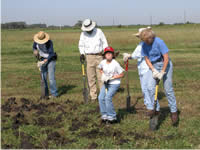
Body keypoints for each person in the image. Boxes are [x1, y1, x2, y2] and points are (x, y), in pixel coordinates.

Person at [140, 28, 178, 125]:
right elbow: (146, 59)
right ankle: (156, 110)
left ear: (151, 38)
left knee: (168, 89)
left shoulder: (159, 42)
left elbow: (166, 57)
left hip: (165, 64)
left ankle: (173, 111)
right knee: (149, 87)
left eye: (148, 40)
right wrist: (153, 70)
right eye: (144, 41)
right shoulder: (144, 45)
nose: (146, 42)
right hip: (154, 65)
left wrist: (162, 72)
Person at [79, 19, 108, 102]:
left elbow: (104, 43)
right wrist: (82, 54)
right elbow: (81, 45)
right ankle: (93, 97)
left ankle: (103, 96)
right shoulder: (83, 34)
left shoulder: (99, 31)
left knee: (101, 77)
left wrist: (106, 52)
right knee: (91, 78)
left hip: (99, 56)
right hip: (89, 57)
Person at [123, 27, 151, 107]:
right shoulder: (143, 44)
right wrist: (129, 56)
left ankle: (149, 105)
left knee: (146, 87)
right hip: (143, 68)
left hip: (146, 68)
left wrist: (128, 56)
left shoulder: (144, 44)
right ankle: (147, 103)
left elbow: (135, 55)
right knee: (145, 87)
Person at [98, 47, 124, 124]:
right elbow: (100, 68)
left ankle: (112, 117)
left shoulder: (115, 64)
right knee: (100, 98)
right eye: (107, 53)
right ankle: (104, 115)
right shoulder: (102, 62)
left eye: (110, 53)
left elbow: (122, 74)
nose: (108, 55)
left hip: (114, 83)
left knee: (108, 98)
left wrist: (112, 78)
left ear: (113, 55)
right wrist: (103, 75)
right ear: (104, 55)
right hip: (106, 83)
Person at [33, 31, 58, 98]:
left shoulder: (49, 42)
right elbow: (34, 47)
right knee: (43, 78)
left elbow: (51, 54)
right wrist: (35, 52)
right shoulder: (36, 41)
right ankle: (45, 94)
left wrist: (45, 61)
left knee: (51, 78)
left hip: (51, 60)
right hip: (41, 59)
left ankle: (54, 94)